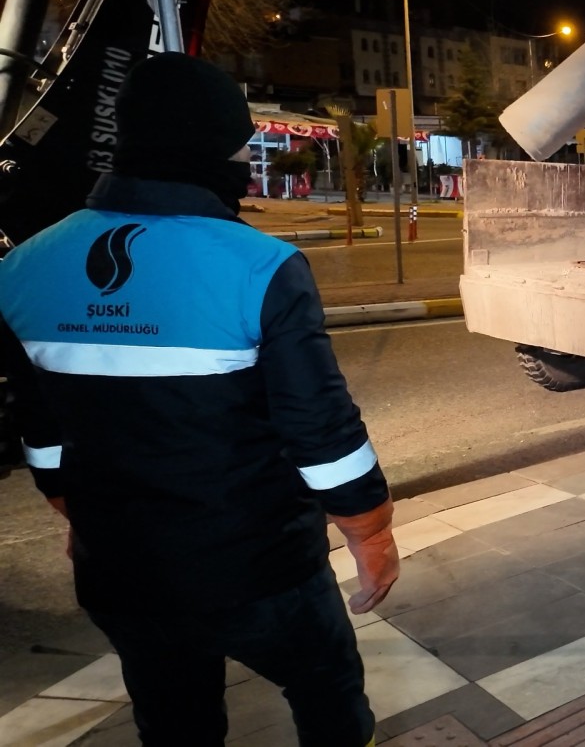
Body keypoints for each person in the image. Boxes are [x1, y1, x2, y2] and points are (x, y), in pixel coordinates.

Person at [0, 53, 398, 746]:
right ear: (213, 148)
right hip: (261, 571)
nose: (247, 161)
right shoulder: (260, 267)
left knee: (173, 723)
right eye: (243, 145)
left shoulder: (22, 267)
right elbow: (321, 433)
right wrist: (371, 533)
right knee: (328, 698)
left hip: (122, 572)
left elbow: (40, 431)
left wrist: (78, 514)